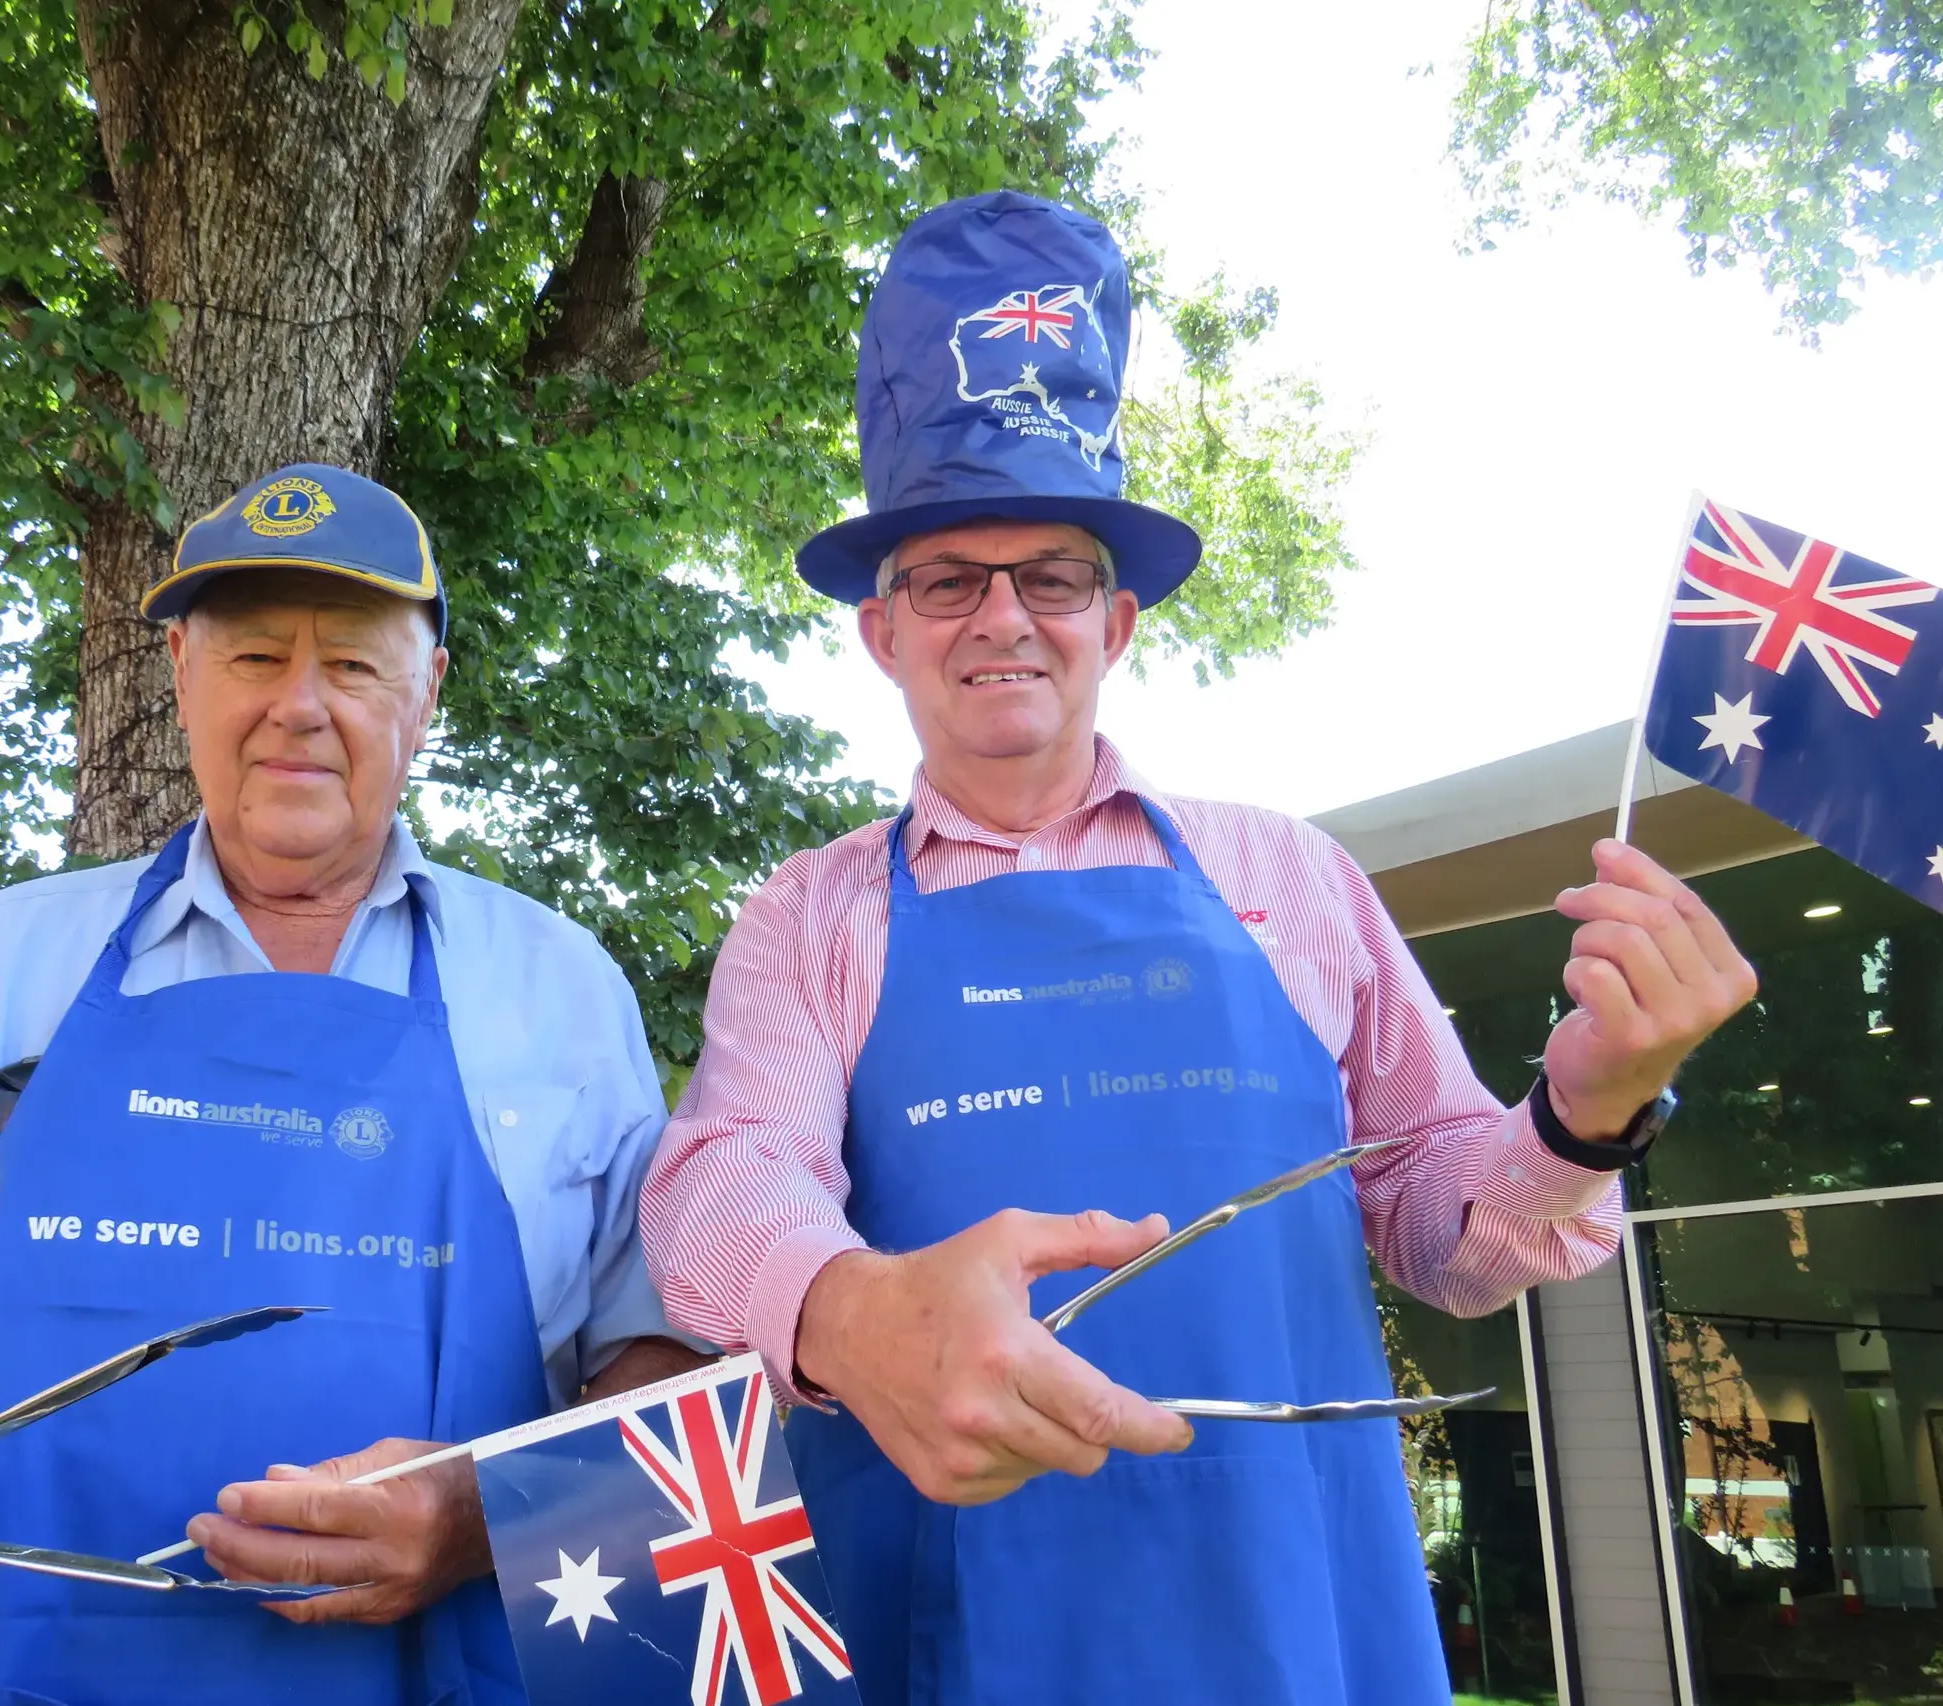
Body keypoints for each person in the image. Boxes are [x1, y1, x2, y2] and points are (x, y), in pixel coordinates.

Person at [639, 192, 1757, 1704]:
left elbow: (1444, 1228)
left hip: (1299, 1606)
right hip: (962, 1623)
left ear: (1122, 616)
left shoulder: (1286, 873)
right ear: (881, 631)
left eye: (1050, 575)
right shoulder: (809, 913)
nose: (1002, 619)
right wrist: (846, 1310)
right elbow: (722, 1178)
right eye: (946, 578)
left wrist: (1589, 1106)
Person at [0, 463, 698, 1706]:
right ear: (178, 674)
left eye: (357, 665)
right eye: (256, 656)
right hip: (5, 1668)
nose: (300, 707)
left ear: (428, 692)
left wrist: (491, 1513)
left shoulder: (562, 987)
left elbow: (661, 1355)